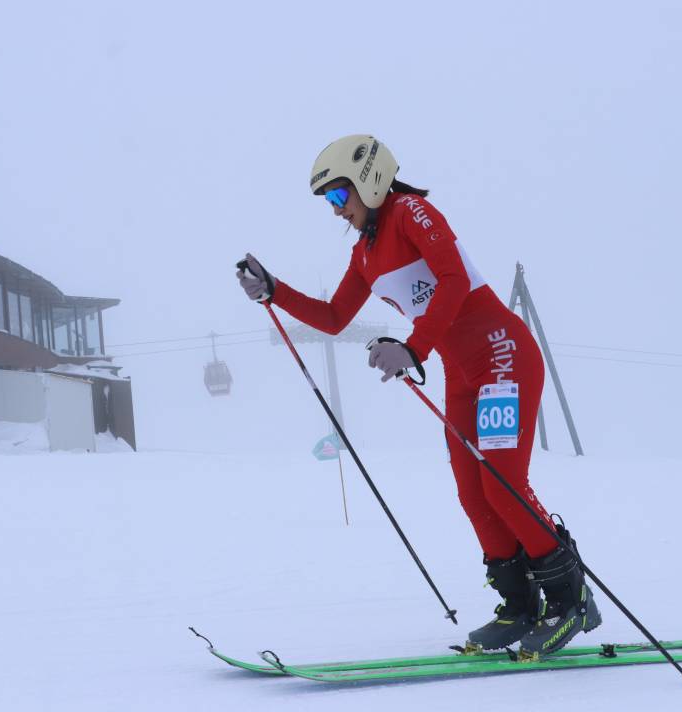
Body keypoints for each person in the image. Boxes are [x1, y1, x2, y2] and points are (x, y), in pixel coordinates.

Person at [236, 135, 600, 658]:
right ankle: (520, 605)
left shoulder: (412, 212)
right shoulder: (365, 253)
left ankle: (571, 598)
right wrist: (275, 289)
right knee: (474, 494)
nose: (338, 212)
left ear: (369, 180)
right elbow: (335, 317)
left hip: (502, 357)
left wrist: (413, 347)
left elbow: (452, 279)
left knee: (503, 484)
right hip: (462, 373)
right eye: (329, 205)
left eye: (340, 198)